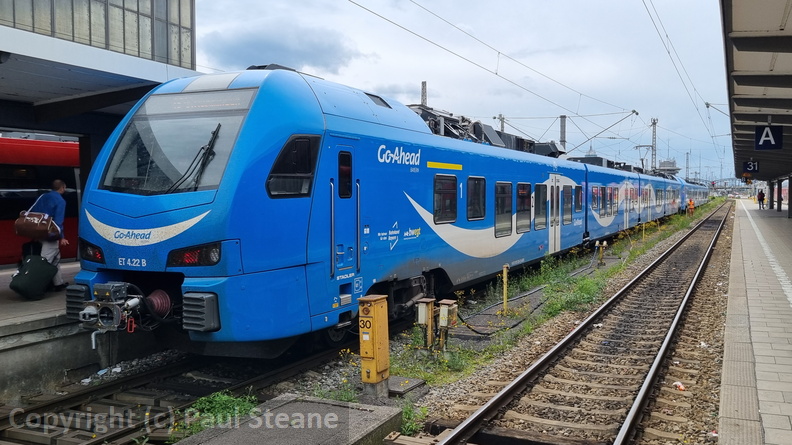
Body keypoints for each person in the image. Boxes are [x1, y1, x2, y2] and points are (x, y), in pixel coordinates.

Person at [30, 179, 70, 291]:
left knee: (55, 258)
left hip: (39, 231)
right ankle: (35, 285)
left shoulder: (42, 196)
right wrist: (61, 237)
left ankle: (58, 283)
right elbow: (58, 222)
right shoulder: (60, 201)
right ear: (62, 188)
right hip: (50, 234)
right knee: (45, 260)